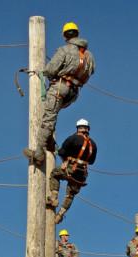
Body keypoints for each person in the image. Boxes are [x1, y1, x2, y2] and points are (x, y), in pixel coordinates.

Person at [23, 22, 95, 166]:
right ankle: (49, 140)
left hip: (60, 88)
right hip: (73, 93)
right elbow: (91, 71)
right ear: (77, 34)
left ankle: (38, 153)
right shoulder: (89, 55)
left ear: (64, 36)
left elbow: (50, 70)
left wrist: (44, 74)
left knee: (48, 117)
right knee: (52, 114)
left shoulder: (65, 50)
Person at [47, 118, 97, 223]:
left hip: (71, 169)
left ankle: (53, 197)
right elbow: (91, 161)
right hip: (82, 174)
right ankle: (60, 215)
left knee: (55, 174)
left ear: (78, 128)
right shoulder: (93, 144)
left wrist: (65, 161)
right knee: (70, 194)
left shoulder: (73, 138)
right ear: (88, 129)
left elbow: (61, 152)